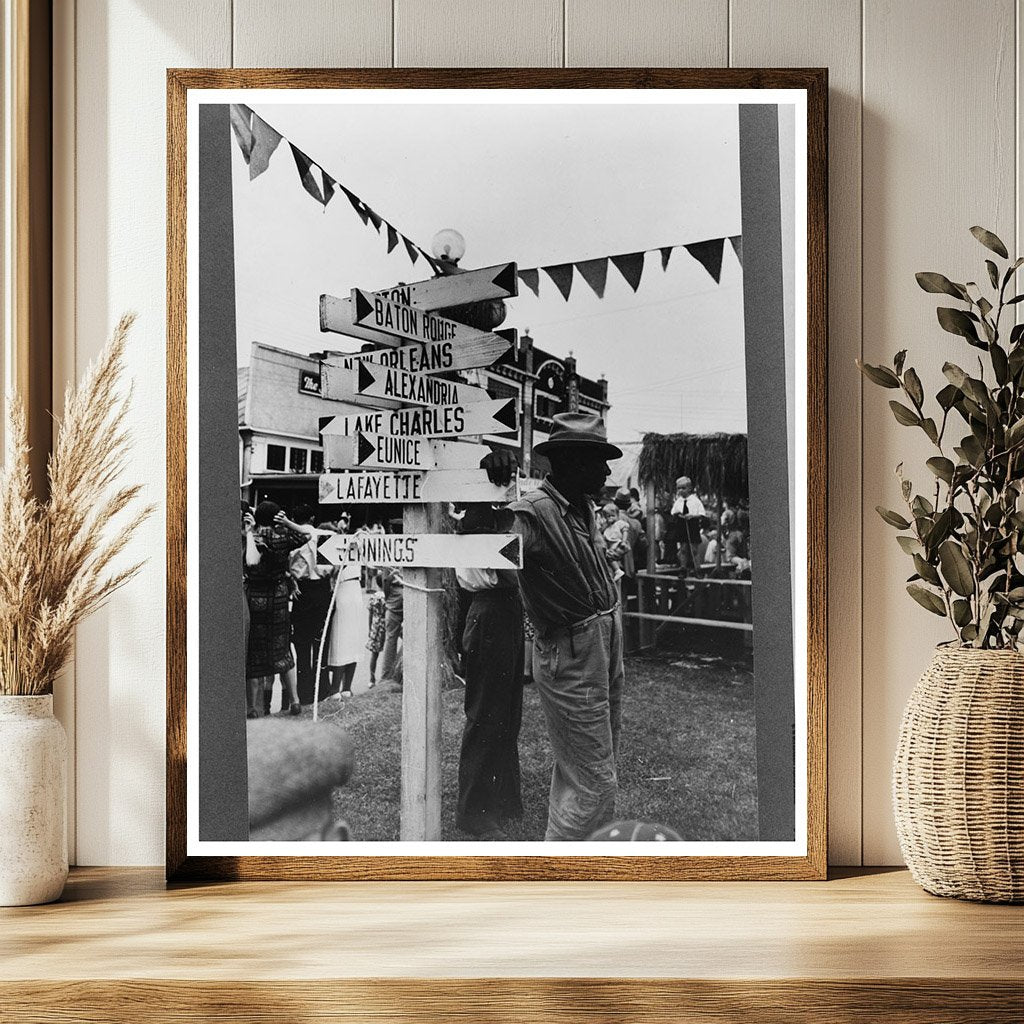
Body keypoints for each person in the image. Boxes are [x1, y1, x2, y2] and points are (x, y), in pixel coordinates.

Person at [483, 410, 625, 842]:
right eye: (598, 461)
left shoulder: (582, 507)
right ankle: (560, 870)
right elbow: (491, 553)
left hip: (601, 640)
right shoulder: (533, 513)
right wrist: (488, 481)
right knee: (594, 783)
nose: (606, 470)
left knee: (591, 768)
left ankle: (580, 867)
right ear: (570, 462)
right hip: (571, 648)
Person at [454, 503, 525, 840]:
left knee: (508, 713)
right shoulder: (476, 524)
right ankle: (475, 811)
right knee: (486, 714)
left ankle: (504, 797)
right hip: (490, 610)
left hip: (505, 609)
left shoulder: (492, 520)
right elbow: (513, 571)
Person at [244, 501, 307, 718]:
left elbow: (251, 562)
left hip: (256, 601)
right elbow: (305, 536)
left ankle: (253, 707)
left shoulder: (255, 537)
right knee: (283, 650)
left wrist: (249, 532)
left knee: (254, 652)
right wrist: (288, 522)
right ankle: (295, 701)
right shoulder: (282, 538)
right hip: (279, 599)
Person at [288, 503, 331, 706]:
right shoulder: (322, 535)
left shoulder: (291, 539)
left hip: (301, 591)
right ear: (312, 518)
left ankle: (304, 693)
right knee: (320, 641)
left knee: (302, 645)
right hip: (320, 589)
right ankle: (322, 690)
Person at [324, 514, 363, 699]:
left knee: (344, 639)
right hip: (350, 590)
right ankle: (342, 687)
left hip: (349, 590)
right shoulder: (342, 544)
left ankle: (339, 688)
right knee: (348, 638)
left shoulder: (352, 543)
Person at [671, 476, 707, 572]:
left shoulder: (695, 500)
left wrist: (693, 516)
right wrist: (678, 514)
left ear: (689, 488)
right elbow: (674, 512)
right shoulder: (678, 501)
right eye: (679, 488)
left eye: (683, 488)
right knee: (683, 548)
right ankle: (683, 568)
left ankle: (697, 568)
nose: (681, 491)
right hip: (682, 525)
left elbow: (702, 514)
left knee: (694, 549)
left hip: (693, 525)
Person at [377, 564, 404, 691]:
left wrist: (388, 599)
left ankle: (387, 676)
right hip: (407, 589)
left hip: (395, 592)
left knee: (391, 638)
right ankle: (397, 673)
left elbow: (385, 581)